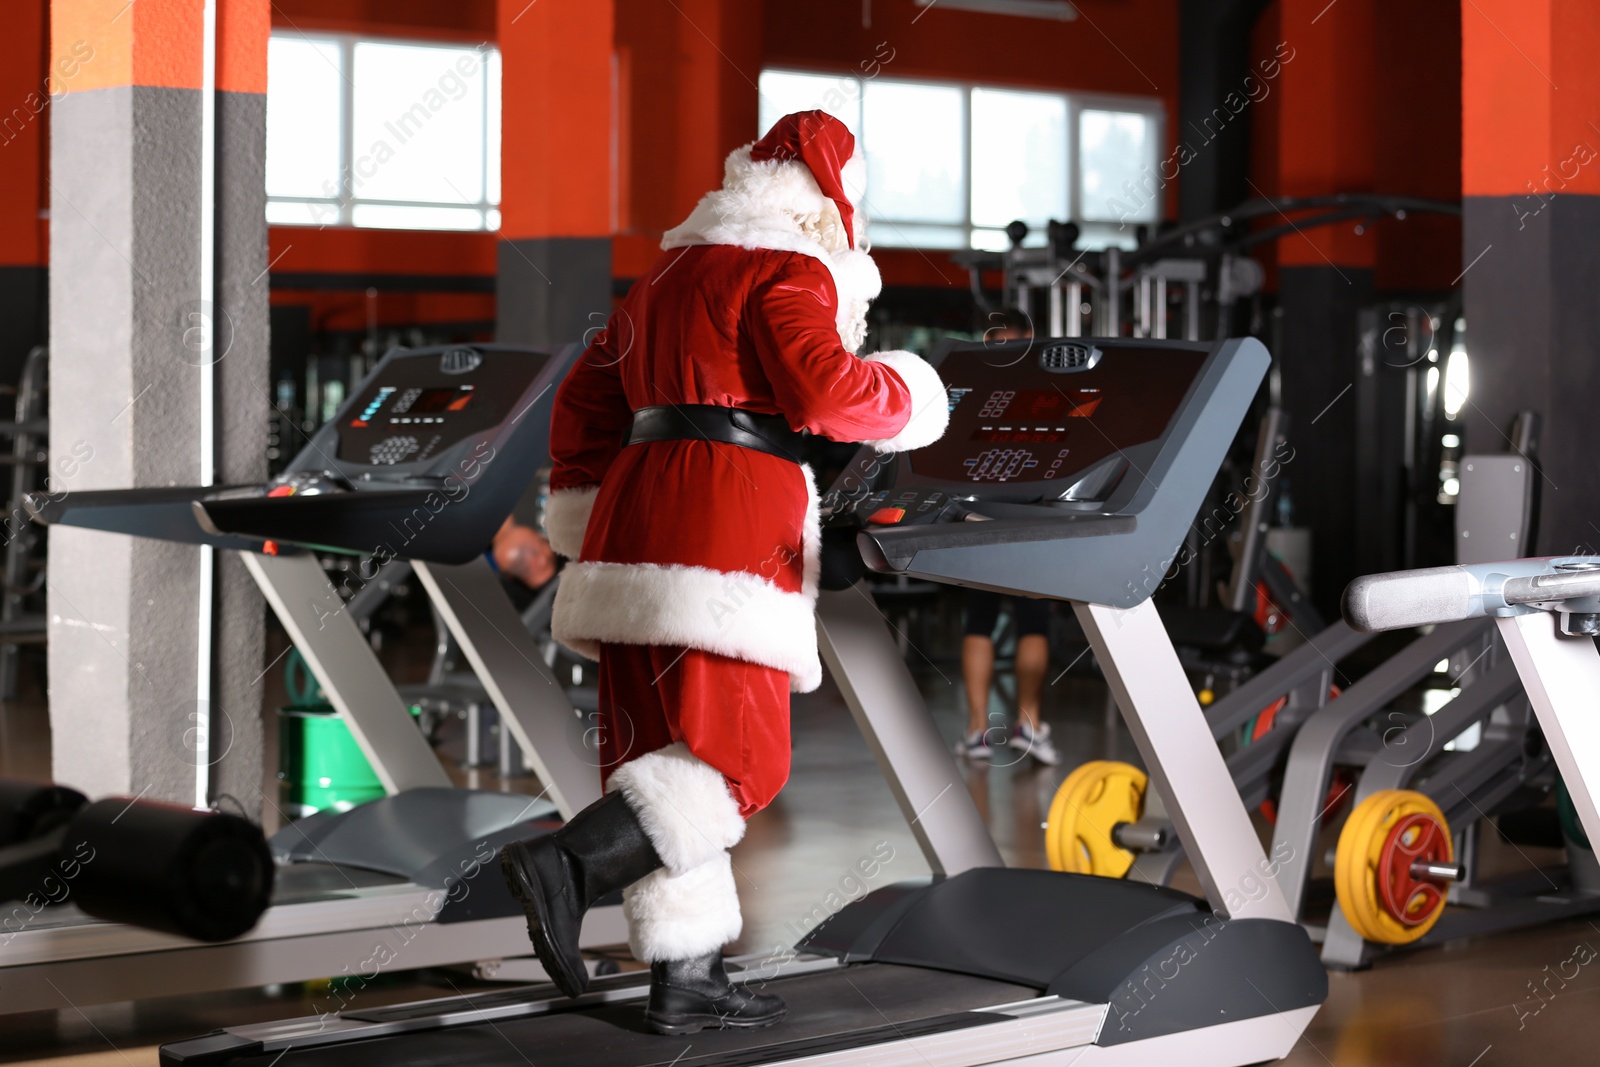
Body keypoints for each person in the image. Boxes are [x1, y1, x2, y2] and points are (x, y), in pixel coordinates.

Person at [497, 111, 949, 1036]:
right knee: (734, 758)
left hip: (635, 511)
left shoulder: (663, 276)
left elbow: (584, 400)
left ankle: (686, 976)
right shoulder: (789, 265)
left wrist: (582, 510)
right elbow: (824, 391)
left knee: (657, 746)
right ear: (826, 203)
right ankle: (566, 866)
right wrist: (910, 392)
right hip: (727, 517)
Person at [954, 308, 1059, 766]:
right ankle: (1023, 729)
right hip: (1008, 512)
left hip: (1001, 513)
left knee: (993, 618)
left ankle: (984, 732)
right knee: (1027, 618)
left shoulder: (973, 392)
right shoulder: (1046, 393)